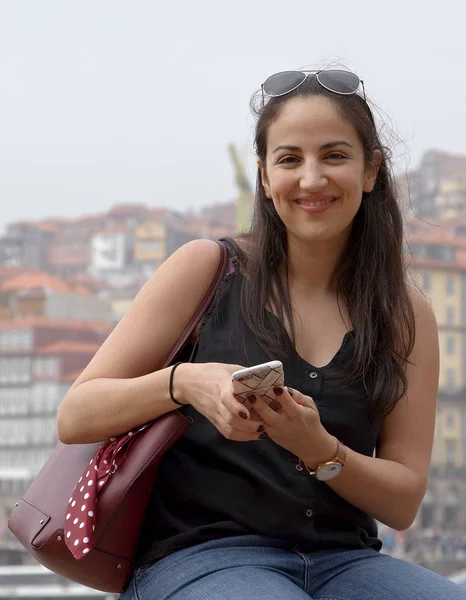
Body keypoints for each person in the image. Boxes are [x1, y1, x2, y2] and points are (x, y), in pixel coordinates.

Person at [57, 68, 466, 599]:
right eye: (290, 159)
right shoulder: (207, 268)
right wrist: (186, 383)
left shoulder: (405, 313)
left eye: (335, 156)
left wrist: (317, 446)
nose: (312, 179)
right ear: (265, 177)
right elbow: (76, 415)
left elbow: (402, 500)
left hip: (347, 562)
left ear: (371, 170)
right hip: (201, 558)